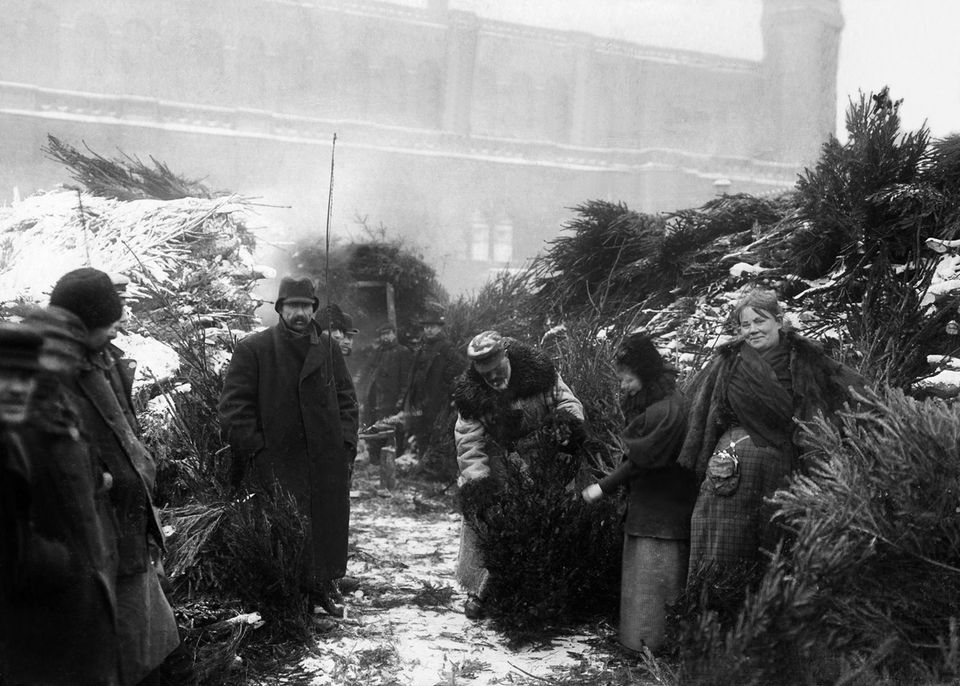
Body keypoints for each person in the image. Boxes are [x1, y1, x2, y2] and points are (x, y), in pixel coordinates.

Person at [47, 267, 180, 685]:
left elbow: (122, 436)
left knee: (148, 647)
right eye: (107, 325)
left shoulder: (102, 361)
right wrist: (97, 481)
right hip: (88, 544)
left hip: (127, 531)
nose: (115, 333)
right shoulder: (43, 374)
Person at [677, 288, 865, 581]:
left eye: (759, 321)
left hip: (786, 467)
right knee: (723, 552)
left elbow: (852, 390)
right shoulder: (727, 362)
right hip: (731, 474)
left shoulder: (807, 360)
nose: (752, 330)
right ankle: (717, 621)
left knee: (774, 552)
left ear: (779, 321)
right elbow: (694, 410)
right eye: (745, 324)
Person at [219, 276, 359, 618]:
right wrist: (258, 452)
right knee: (284, 532)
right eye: (292, 306)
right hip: (278, 462)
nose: (300, 313)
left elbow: (347, 400)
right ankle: (289, 603)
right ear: (280, 309)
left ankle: (321, 589)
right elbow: (235, 409)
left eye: (306, 306)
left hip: (324, 460)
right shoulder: (255, 349)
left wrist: (344, 444)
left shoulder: (327, 349)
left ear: (314, 309)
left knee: (325, 528)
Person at [0, 320, 120, 686]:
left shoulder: (18, 438)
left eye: (25, 377)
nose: (18, 388)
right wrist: (64, 563)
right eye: (5, 376)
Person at [452, 330, 586, 619]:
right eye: (488, 376)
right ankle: (480, 592)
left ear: (507, 357)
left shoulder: (541, 374)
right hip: (498, 462)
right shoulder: (471, 397)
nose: (496, 380)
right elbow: (468, 445)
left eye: (499, 371)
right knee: (488, 520)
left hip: (541, 458)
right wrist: (479, 484)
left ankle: (549, 597)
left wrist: (565, 424)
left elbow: (569, 403)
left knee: (553, 523)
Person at [581, 333, 697, 653]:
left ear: (644, 374)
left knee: (656, 581)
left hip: (664, 510)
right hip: (650, 507)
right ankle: (644, 644)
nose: (623, 386)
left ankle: (650, 648)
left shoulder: (667, 410)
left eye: (628, 379)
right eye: (621, 379)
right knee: (645, 580)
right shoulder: (658, 399)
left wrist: (602, 487)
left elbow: (641, 462)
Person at [404, 307, 466, 457]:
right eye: (426, 327)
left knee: (434, 430)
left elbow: (460, 364)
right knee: (420, 428)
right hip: (419, 396)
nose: (428, 330)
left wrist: (444, 381)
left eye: (432, 327)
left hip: (436, 397)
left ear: (439, 328)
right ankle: (422, 461)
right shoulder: (422, 346)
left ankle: (432, 465)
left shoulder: (445, 346)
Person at [362, 321, 413, 465]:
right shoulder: (378, 352)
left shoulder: (403, 352)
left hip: (392, 401)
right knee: (375, 431)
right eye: (382, 334)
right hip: (376, 400)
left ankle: (393, 464)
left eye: (387, 334)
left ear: (393, 334)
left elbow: (406, 381)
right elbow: (369, 374)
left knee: (392, 433)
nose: (385, 337)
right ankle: (375, 462)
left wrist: (400, 402)